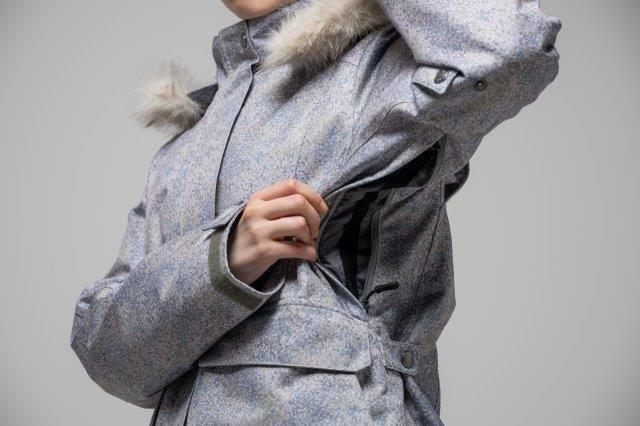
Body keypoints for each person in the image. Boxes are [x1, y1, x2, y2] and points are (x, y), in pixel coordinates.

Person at [70, 0, 562, 424]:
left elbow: (509, 48)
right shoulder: (185, 146)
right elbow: (110, 358)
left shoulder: (388, 70)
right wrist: (222, 257)